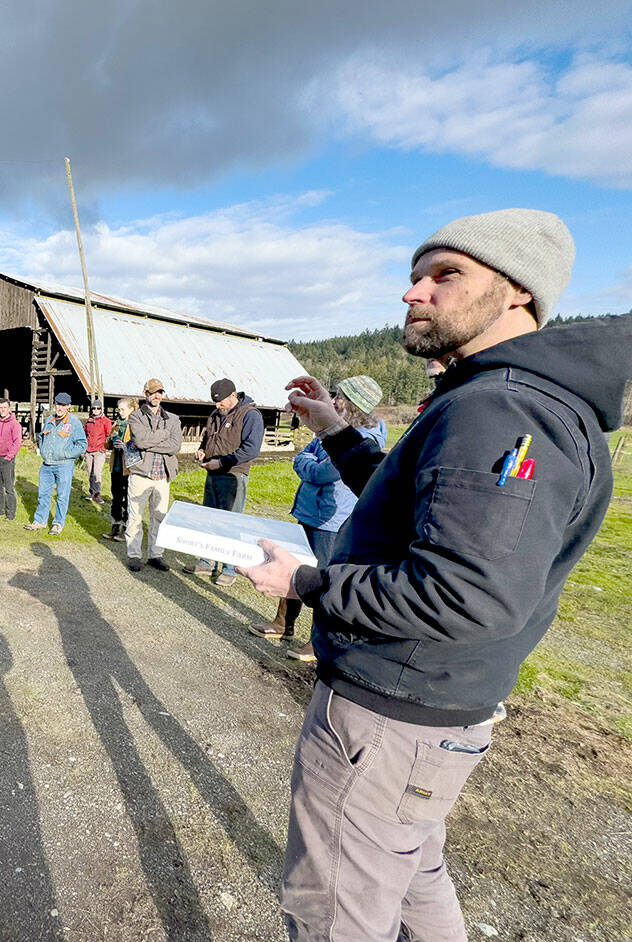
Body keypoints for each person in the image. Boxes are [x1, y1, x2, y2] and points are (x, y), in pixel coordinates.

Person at [239, 209, 627, 941]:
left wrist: (307, 585)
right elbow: (416, 501)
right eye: (416, 275)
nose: (415, 292)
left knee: (335, 917)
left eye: (445, 275)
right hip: (432, 712)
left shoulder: (501, 408)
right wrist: (337, 430)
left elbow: (468, 594)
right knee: (414, 873)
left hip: (390, 717)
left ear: (518, 293)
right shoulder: (506, 396)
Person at [252, 375, 386, 655]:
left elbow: (324, 472)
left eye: (341, 398)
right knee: (295, 566)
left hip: (331, 521)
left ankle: (317, 642)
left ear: (355, 405)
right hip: (310, 513)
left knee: (322, 579)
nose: (334, 401)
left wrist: (309, 463)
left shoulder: (364, 439)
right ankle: (283, 625)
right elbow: (303, 457)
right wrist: (309, 461)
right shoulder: (331, 431)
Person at [185, 377, 264, 586]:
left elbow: (251, 449)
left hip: (233, 474)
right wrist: (202, 451)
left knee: (231, 523)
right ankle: (206, 561)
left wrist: (221, 463)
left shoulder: (250, 415)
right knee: (208, 518)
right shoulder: (215, 414)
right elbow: (207, 438)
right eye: (215, 401)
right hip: (212, 472)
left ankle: (229, 568)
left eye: (220, 401)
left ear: (233, 396)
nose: (217, 405)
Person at [123, 380, 182, 570]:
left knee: (159, 517)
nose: (156, 396)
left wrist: (151, 441)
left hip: (162, 476)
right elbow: (139, 441)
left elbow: (176, 446)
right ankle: (134, 555)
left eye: (160, 393)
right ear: (145, 393)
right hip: (141, 474)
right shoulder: (136, 417)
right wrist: (164, 435)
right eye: (153, 392)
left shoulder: (173, 419)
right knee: (135, 517)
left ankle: (155, 555)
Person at [25, 392, 87, 534]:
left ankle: (58, 524)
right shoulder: (49, 420)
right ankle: (39, 521)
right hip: (47, 465)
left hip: (64, 465)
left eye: (63, 405)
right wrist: (43, 450)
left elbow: (82, 445)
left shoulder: (74, 423)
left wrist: (67, 454)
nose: (60, 407)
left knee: (62, 496)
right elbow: (42, 437)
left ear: (69, 407)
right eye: (58, 404)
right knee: (43, 494)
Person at [101, 397, 137, 541]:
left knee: (126, 499)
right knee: (115, 498)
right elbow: (106, 445)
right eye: (119, 409)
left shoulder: (134, 425)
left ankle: (126, 529)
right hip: (115, 466)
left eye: (122, 409)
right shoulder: (117, 424)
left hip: (127, 468)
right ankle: (114, 527)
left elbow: (139, 446)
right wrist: (111, 439)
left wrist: (126, 446)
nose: (120, 412)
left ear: (131, 409)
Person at [0, 398, 23, 520]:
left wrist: (9, 457)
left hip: (6, 460)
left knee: (9, 487)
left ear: (9, 408)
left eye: (4, 407)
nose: (2, 410)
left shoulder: (14, 424)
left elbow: (17, 442)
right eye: (0, 408)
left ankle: (11, 513)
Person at [83, 401, 113, 503]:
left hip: (99, 451)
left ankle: (97, 494)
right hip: (89, 450)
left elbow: (109, 435)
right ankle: (92, 492)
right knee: (90, 472)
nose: (96, 410)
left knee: (97, 473)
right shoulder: (89, 421)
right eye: (94, 408)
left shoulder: (106, 421)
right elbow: (84, 434)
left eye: (98, 408)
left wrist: (104, 448)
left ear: (101, 409)